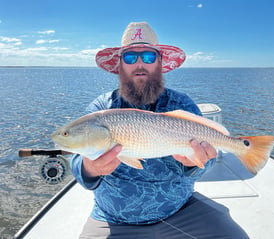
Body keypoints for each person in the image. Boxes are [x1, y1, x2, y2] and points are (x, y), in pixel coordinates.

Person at [71, 21, 249, 239]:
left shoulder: (182, 104)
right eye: (129, 57)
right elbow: (78, 164)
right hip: (113, 219)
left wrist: (195, 164)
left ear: (159, 63)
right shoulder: (102, 108)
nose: (139, 65)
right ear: (120, 65)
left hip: (181, 211)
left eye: (148, 57)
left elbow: (208, 161)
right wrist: (90, 168)